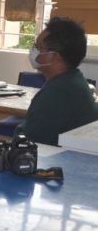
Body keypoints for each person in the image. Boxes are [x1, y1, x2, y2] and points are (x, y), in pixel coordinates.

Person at [15, 17, 98, 146]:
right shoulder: (75, 80)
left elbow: (27, 141)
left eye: (38, 47)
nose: (33, 50)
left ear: (53, 56)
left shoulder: (57, 93)